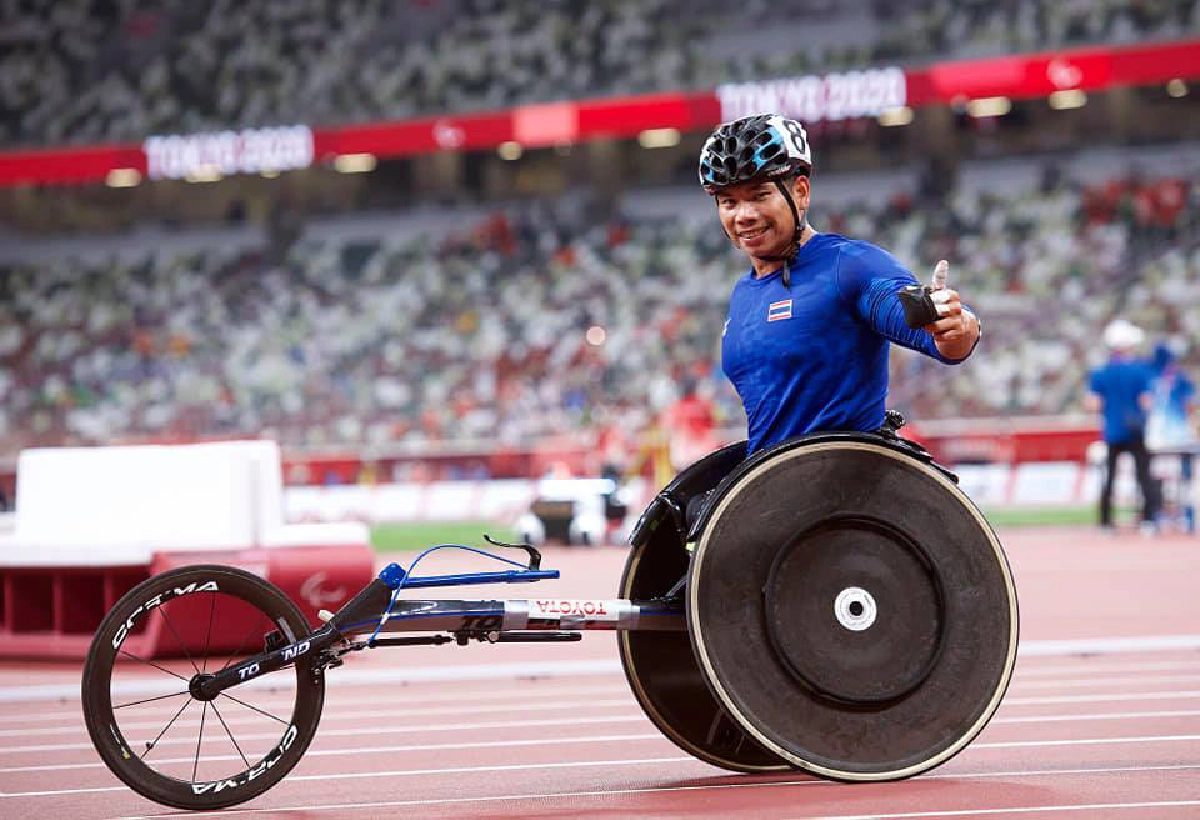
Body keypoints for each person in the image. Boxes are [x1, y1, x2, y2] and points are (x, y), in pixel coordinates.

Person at [697, 114, 981, 457]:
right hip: (771, 478)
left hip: (847, 479)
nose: (743, 215)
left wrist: (956, 325)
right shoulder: (742, 293)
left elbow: (927, 326)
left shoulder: (849, 265)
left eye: (759, 195)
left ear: (801, 192)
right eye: (729, 202)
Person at [1086, 319, 1160, 533]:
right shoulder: (1140, 371)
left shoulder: (1101, 372)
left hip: (1112, 431)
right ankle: (1148, 520)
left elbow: (1093, 404)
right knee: (1143, 476)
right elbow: (1147, 401)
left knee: (1109, 477)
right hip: (1136, 430)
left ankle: (1106, 523)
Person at [1146, 338, 1196, 533]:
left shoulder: (1149, 377)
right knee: (1185, 478)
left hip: (1155, 437)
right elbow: (1190, 405)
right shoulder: (1181, 378)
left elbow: (1144, 404)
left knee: (1157, 478)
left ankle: (1157, 516)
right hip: (1180, 436)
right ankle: (1187, 517)